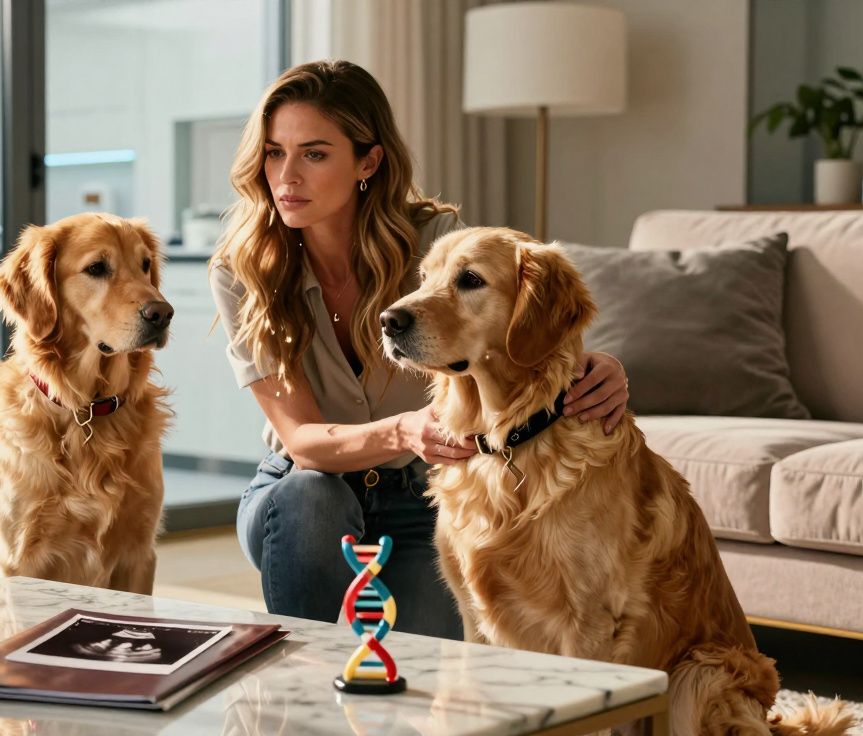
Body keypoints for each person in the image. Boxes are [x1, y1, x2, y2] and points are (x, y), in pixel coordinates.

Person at [208, 60, 630, 639]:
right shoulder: (244, 270)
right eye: (274, 152)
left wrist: (594, 362)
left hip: (420, 496)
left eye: (313, 153)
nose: (286, 177)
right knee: (311, 498)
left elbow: (511, 335)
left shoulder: (435, 244)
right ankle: (289, 688)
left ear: (368, 162)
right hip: (300, 493)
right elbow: (303, 441)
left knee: (425, 680)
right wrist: (404, 431)